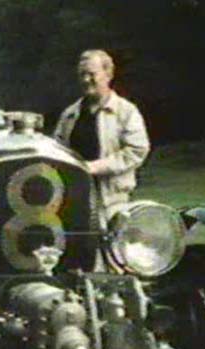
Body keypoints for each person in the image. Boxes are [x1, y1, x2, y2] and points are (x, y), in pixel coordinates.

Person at [54, 49, 151, 220]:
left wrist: (93, 167)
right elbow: (57, 151)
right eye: (82, 74)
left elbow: (137, 151)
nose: (86, 80)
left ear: (108, 74)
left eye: (92, 74)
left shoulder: (126, 112)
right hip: (74, 200)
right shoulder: (69, 115)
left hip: (112, 203)